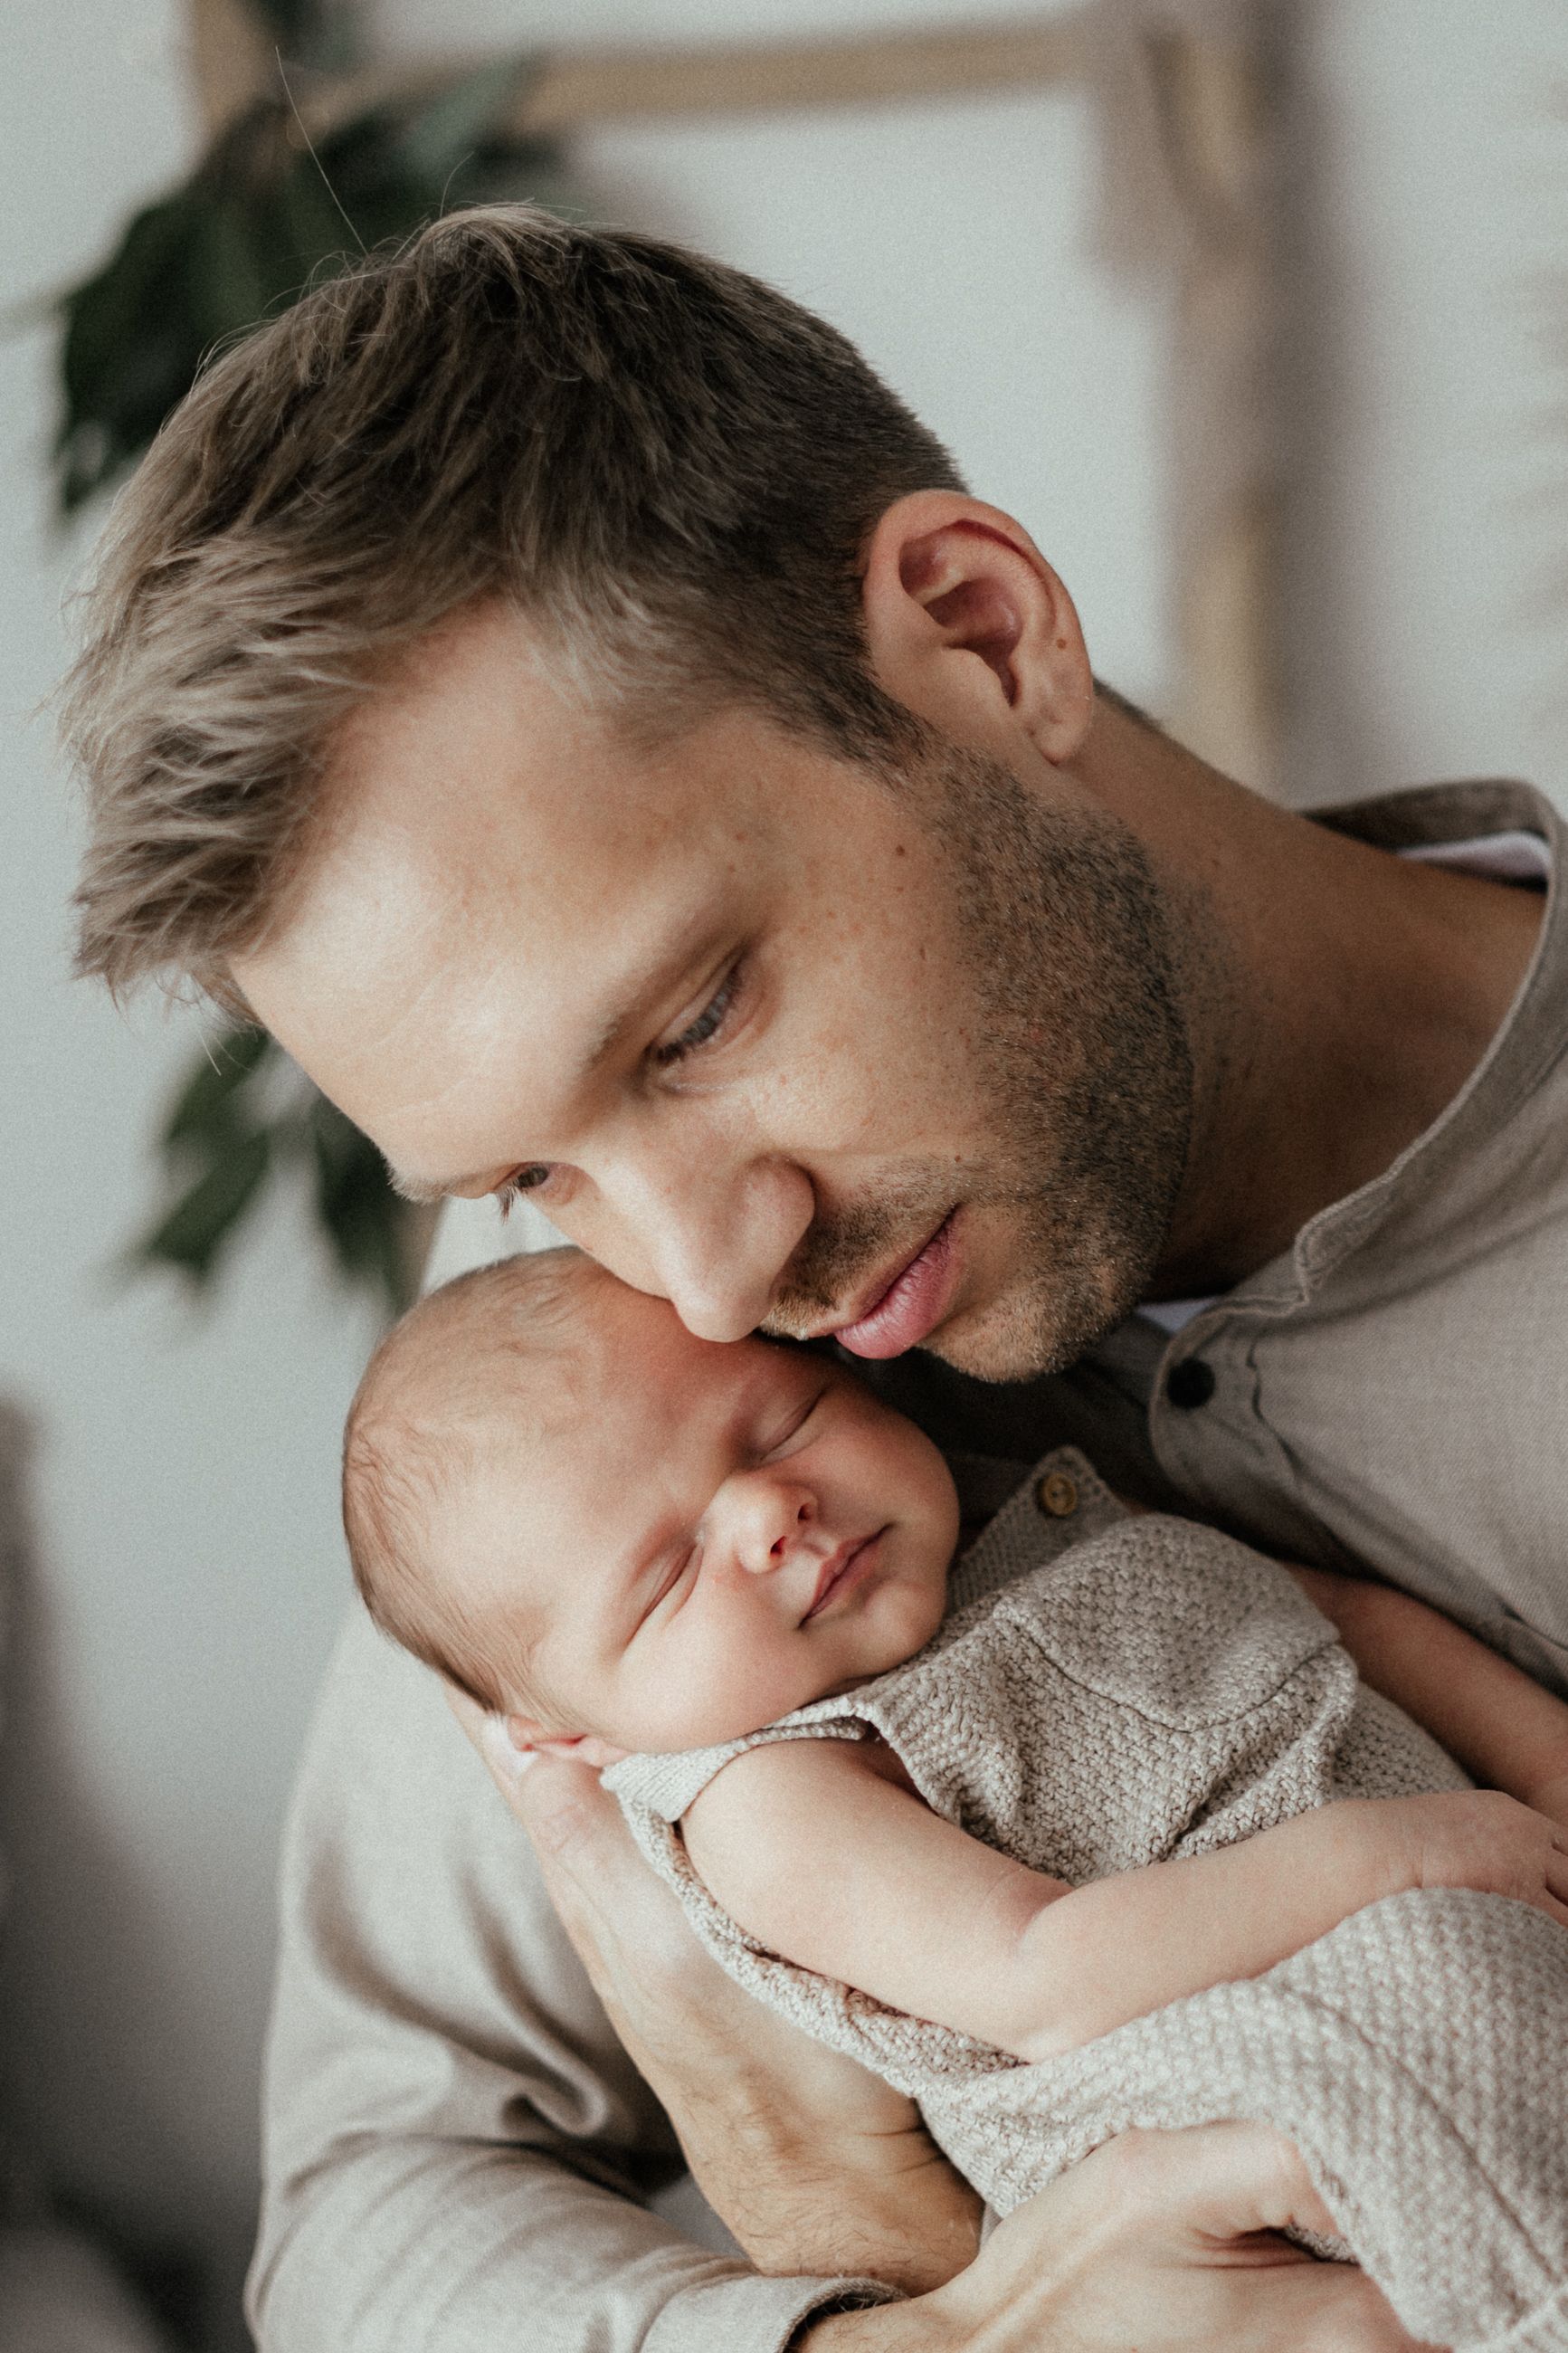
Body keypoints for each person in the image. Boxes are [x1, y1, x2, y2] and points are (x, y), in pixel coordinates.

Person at [61, 205, 1567, 2351]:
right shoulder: (603, 1389)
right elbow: (381, 2192)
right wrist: (913, 2338)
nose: (701, 1271)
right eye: (526, 1166)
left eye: (687, 1027)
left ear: (982, 629)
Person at [337, 1245, 1568, 2348]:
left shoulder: (1010, 1511)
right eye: (665, 1574)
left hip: (1443, 1893)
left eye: (779, 1425)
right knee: (1446, 2012)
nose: (770, 1513)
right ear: (567, 1731)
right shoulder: (772, 1796)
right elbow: (1044, 1978)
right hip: (1240, 2063)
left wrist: (1545, 1768)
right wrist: (1389, 1863)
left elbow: (1343, 1620)